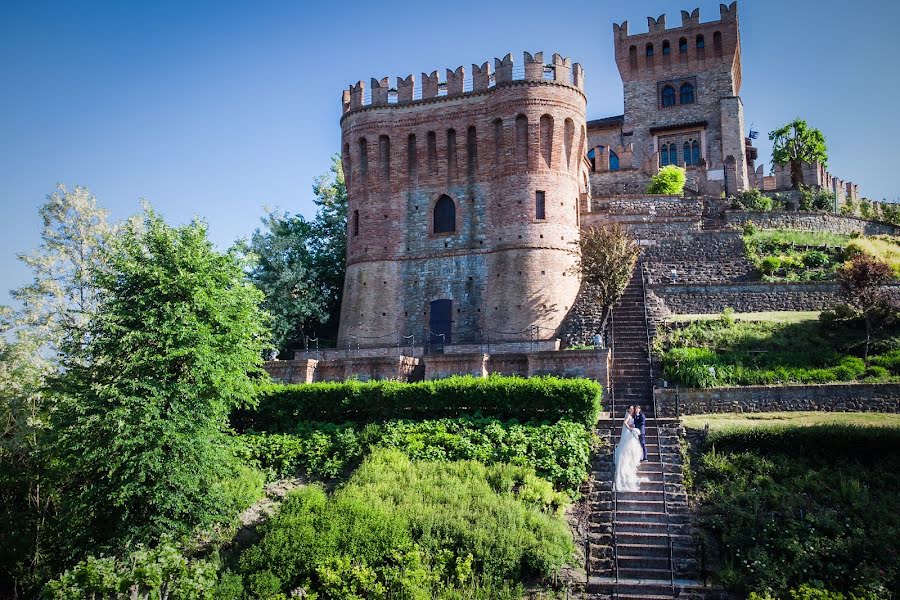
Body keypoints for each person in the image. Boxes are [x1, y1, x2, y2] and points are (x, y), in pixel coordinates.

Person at [613, 406, 647, 492]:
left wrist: (632, 426)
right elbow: (625, 422)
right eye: (631, 409)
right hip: (628, 432)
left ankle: (632, 458)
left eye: (633, 409)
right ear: (628, 410)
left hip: (630, 432)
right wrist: (630, 428)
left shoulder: (633, 416)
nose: (632, 410)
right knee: (627, 447)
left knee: (632, 447)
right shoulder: (628, 415)